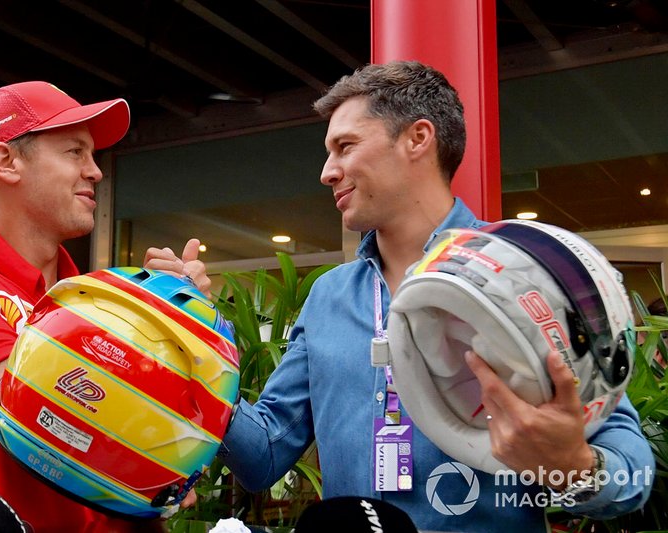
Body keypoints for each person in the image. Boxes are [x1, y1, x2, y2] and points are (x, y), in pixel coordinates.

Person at [218, 61, 654, 532]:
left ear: (417, 139)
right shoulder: (328, 296)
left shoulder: (524, 269)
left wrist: (573, 465)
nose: (327, 172)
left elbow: (632, 473)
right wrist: (191, 350)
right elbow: (261, 457)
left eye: (345, 146)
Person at [0, 81, 207, 533]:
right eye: (75, 152)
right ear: (5, 162)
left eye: (93, 156)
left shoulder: (103, 302)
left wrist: (181, 323)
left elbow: (178, 447)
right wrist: (150, 459)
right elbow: (24, 411)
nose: (95, 171)